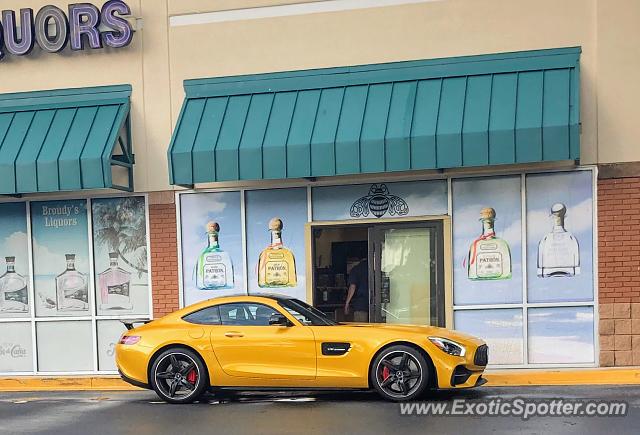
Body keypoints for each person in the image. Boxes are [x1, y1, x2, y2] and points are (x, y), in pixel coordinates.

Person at [345, 258, 369, 322]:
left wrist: (347, 303)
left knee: (361, 328)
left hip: (361, 304)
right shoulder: (376, 268)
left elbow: (352, 287)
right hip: (375, 303)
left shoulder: (356, 269)